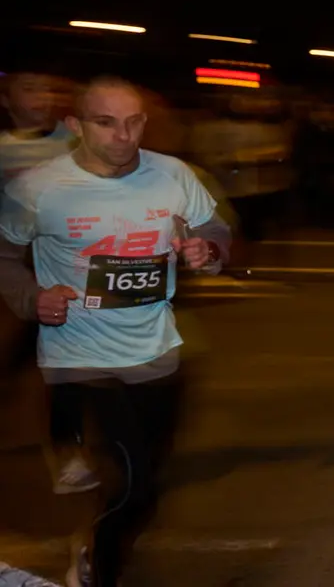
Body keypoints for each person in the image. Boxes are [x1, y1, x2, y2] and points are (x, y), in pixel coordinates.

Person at [0, 77, 232, 586]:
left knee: (147, 483)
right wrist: (30, 298)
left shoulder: (173, 174)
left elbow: (215, 231)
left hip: (157, 352)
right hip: (79, 356)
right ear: (76, 126)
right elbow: (4, 252)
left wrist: (207, 250)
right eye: (106, 123)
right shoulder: (39, 187)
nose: (123, 136)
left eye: (133, 122)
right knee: (134, 486)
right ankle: (98, 569)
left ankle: (92, 538)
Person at [0, 64, 98, 495]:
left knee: (64, 364)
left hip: (66, 269)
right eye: (28, 89)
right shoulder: (2, 150)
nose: (40, 98)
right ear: (7, 101)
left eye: (46, 89)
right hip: (18, 271)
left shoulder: (75, 141)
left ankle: (69, 453)